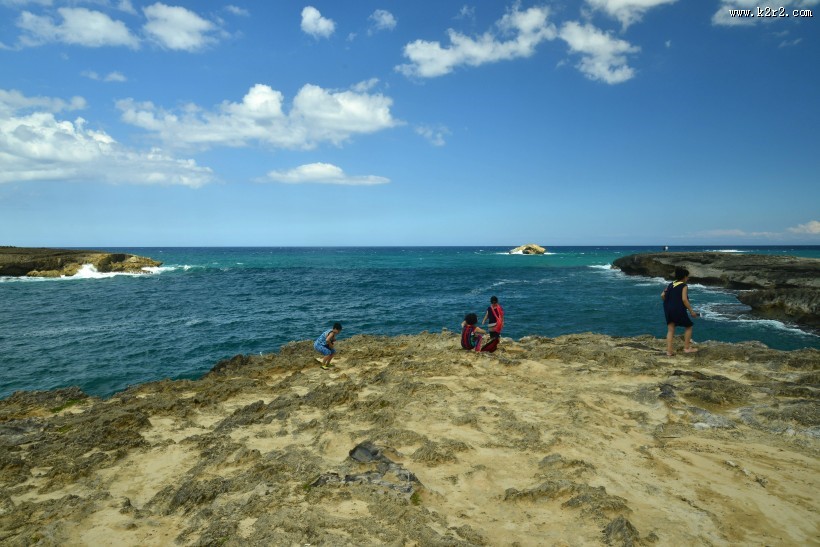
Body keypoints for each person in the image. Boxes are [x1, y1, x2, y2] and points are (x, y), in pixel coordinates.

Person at [661, 267, 698, 356]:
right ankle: (686, 348)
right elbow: (684, 300)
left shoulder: (671, 284)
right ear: (684, 277)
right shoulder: (684, 286)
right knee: (689, 326)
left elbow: (662, 295)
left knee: (670, 329)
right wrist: (691, 311)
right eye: (687, 276)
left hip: (668, 309)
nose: (688, 278)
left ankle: (669, 351)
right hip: (678, 309)